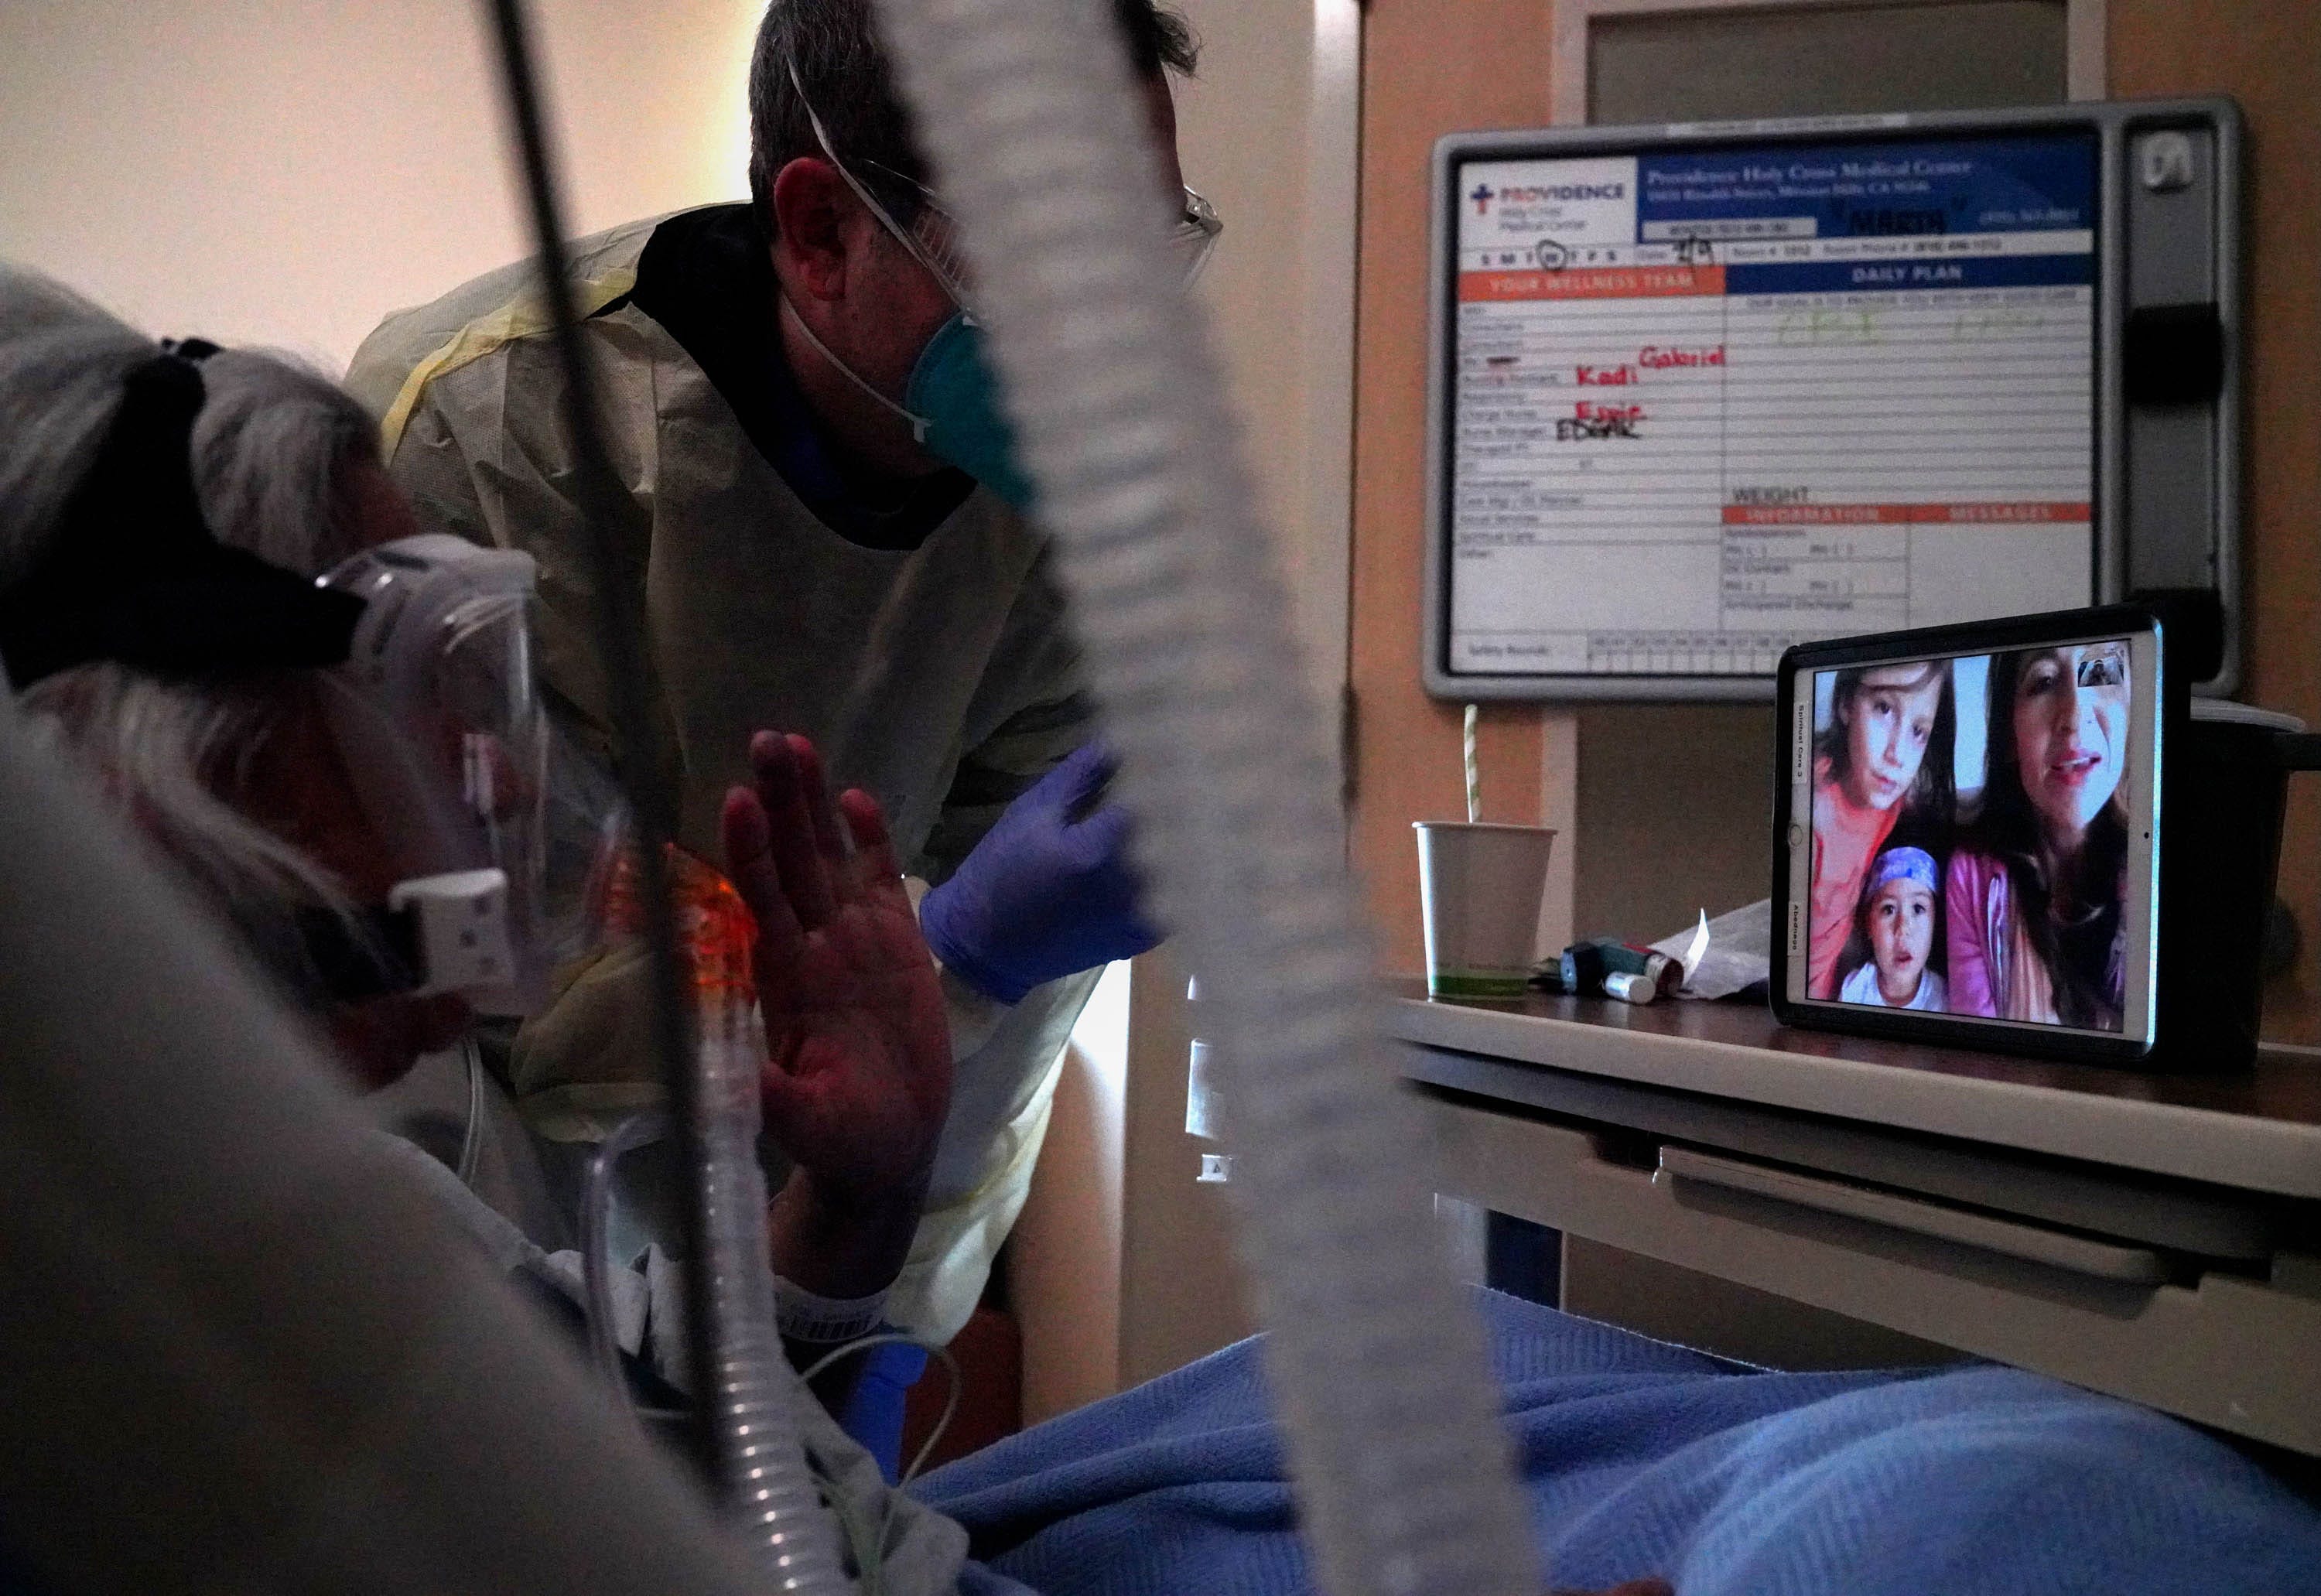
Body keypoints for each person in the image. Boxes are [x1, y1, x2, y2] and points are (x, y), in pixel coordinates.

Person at [343, 0, 1210, 1344]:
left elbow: (992, 1065)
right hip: (498, 1280)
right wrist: (957, 952)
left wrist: (868, 1333)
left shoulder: (1075, 514)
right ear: (820, 230)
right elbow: (558, 1014)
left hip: (839, 1282)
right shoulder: (488, 439)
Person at [1947, 642, 2134, 1028]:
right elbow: (1979, 1054)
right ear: (2009, 737)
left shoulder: (2155, 864)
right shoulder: (1972, 879)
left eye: (2100, 673)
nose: (2074, 716)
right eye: (2045, 681)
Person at [1807, 659, 1956, 999]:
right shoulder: (1811, 807)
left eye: (1918, 731)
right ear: (1846, 702)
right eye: (1884, 709)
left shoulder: (1891, 803)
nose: (1897, 753)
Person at [1838, 846, 1947, 1011]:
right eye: (1889, 909)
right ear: (1869, 925)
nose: (1902, 928)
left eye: (1918, 909)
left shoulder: (1945, 998)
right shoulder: (1854, 990)